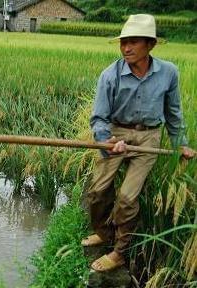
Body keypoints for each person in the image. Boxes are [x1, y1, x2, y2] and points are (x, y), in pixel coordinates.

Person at [82, 14, 195, 272]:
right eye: (123, 42)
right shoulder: (110, 75)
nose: (126, 48)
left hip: (149, 138)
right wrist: (107, 141)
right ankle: (103, 232)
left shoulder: (168, 73)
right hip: (116, 132)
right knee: (98, 191)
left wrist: (180, 144)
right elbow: (99, 118)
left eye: (133, 42)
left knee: (127, 196)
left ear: (150, 45)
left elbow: (174, 112)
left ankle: (119, 252)